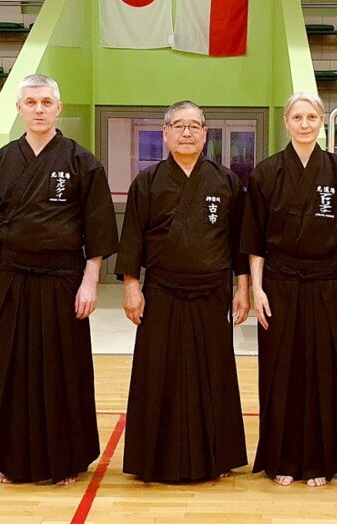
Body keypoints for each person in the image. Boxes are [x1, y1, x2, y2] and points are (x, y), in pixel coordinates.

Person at [0, 74, 119, 486]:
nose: (40, 109)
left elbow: (96, 229)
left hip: (64, 280)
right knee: (12, 370)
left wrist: (90, 280)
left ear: (58, 108)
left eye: (47, 102)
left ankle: (65, 459)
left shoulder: (82, 162)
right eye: (32, 102)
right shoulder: (0, 163)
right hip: (13, 279)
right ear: (20, 109)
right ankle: (13, 460)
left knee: (64, 370)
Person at [116, 100, 250, 483]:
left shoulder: (226, 182)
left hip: (211, 293)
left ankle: (216, 456)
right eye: (179, 125)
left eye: (195, 126)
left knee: (214, 373)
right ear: (166, 133)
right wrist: (131, 287)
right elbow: (133, 240)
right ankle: (152, 460)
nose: (187, 132)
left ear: (205, 134)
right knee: (159, 373)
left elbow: (239, 241)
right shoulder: (148, 181)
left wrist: (243, 288)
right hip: (161, 292)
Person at [241, 92, 337, 488]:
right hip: (279, 283)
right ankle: (282, 458)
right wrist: (257, 289)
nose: (305, 123)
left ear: (322, 121)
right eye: (298, 116)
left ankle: (320, 461)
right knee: (280, 371)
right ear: (286, 122)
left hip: (325, 282)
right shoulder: (265, 172)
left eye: (312, 116)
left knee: (322, 371)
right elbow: (254, 241)